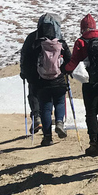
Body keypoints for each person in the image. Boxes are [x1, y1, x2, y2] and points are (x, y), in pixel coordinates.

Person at [64, 14, 98, 157]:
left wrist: (65, 69)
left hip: (91, 82)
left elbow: (74, 62)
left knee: (91, 112)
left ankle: (94, 144)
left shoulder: (81, 42)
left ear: (82, 28)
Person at [32, 14, 71, 146]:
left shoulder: (38, 44)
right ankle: (59, 122)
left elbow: (31, 62)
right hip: (59, 80)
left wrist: (32, 78)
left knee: (45, 108)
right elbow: (69, 60)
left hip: (42, 81)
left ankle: (47, 137)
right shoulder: (61, 43)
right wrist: (65, 70)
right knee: (59, 102)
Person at [20, 22, 44, 134]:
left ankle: (37, 117)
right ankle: (46, 120)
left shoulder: (32, 37)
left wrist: (23, 71)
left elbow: (24, 54)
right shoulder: (54, 35)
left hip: (33, 72)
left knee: (33, 94)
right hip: (51, 72)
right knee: (46, 96)